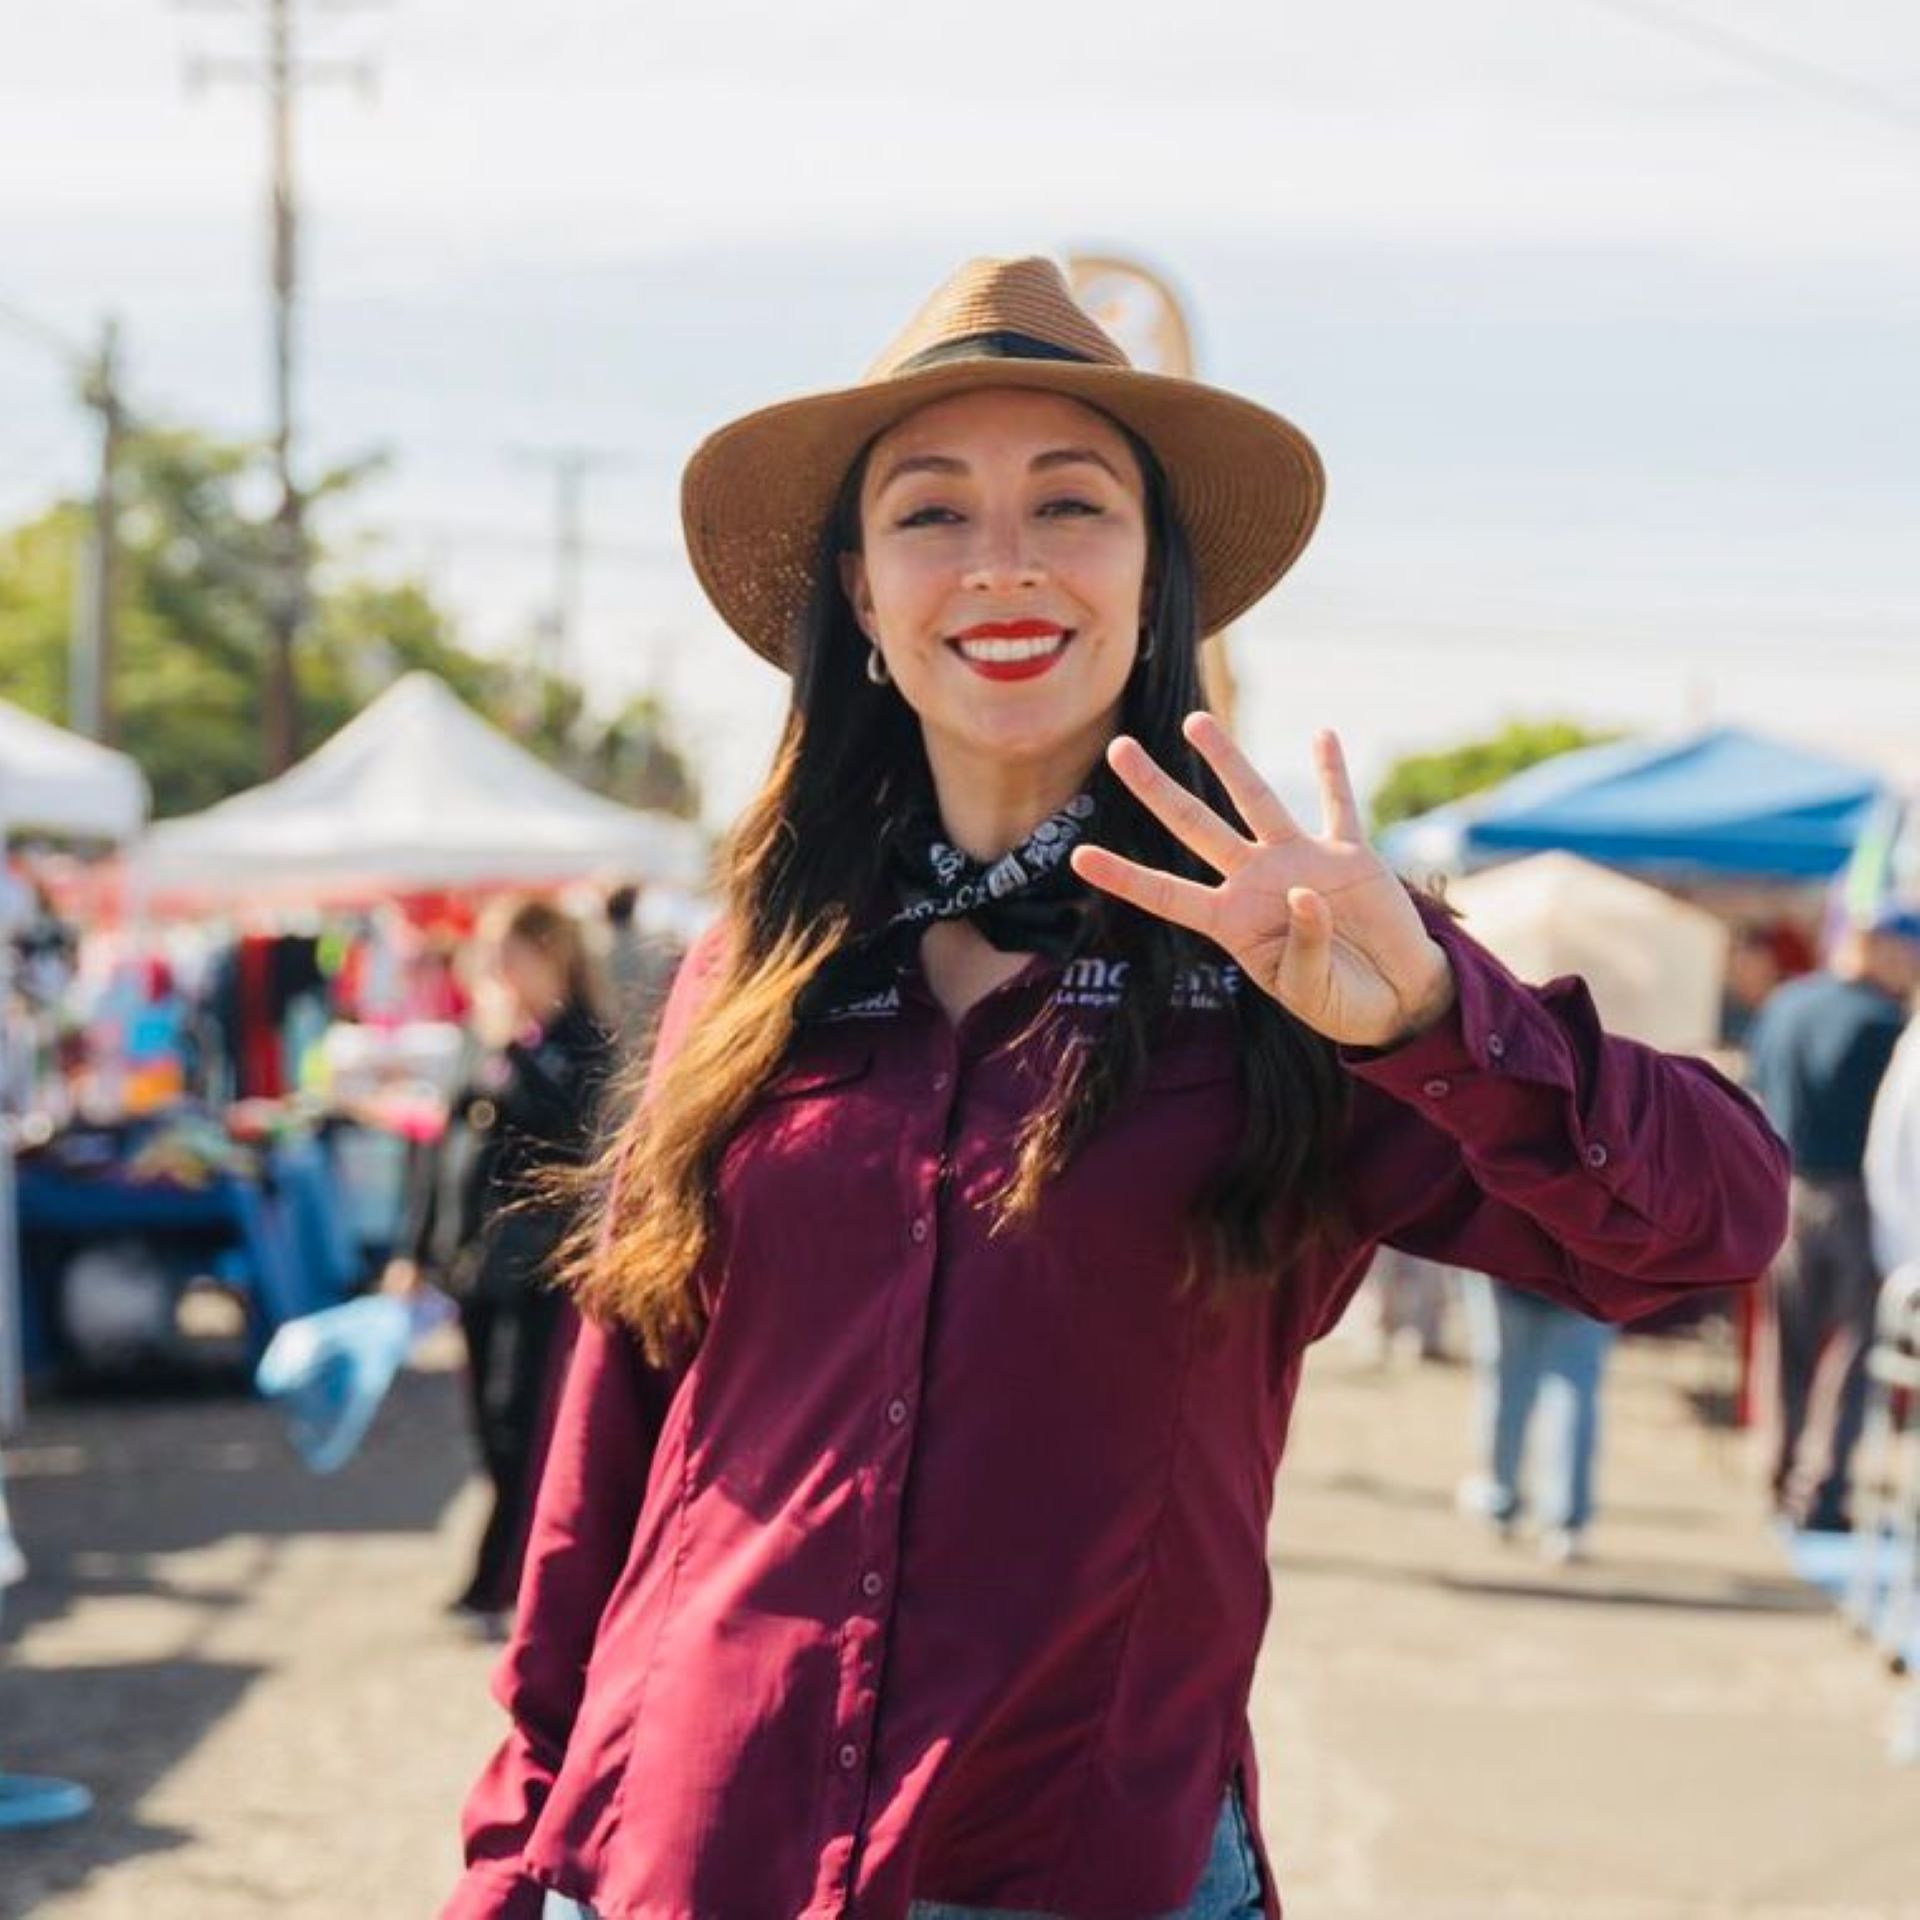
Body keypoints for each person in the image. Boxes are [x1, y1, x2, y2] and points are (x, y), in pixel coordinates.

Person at [443, 258, 1790, 1920]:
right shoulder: (757, 971)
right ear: (860, 596)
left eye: (1070, 504)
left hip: (1073, 1866)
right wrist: (510, 1860)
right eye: (930, 513)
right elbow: (618, 1447)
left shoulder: (1301, 964)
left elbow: (1712, 1230)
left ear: (1161, 583)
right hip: (677, 1853)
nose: (1002, 559)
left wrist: (1441, 1016)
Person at [385, 899, 616, 1631]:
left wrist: (517, 1057)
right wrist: (413, 1250)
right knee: (487, 1425)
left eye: (507, 956)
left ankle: (500, 1581)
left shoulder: (580, 1042)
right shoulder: (475, 1039)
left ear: (548, 956)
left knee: (519, 1424)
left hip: (538, 1262)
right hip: (473, 1262)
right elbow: (436, 1153)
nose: (497, 973)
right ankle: (507, 1572)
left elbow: (574, 1133)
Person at [1745, 902, 1920, 1532]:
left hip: (1783, 1190)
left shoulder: (1787, 1005)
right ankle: (1820, 1487)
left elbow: (1755, 1090)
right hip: (1856, 1197)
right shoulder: (1884, 1024)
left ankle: (1778, 1470)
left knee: (1784, 1343)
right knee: (1850, 1349)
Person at [1458, 1275, 1616, 1565]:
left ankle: (1503, 1500)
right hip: (1593, 1272)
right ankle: (1563, 1522)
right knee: (1571, 1384)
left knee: (1510, 1379)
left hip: (1516, 1266)